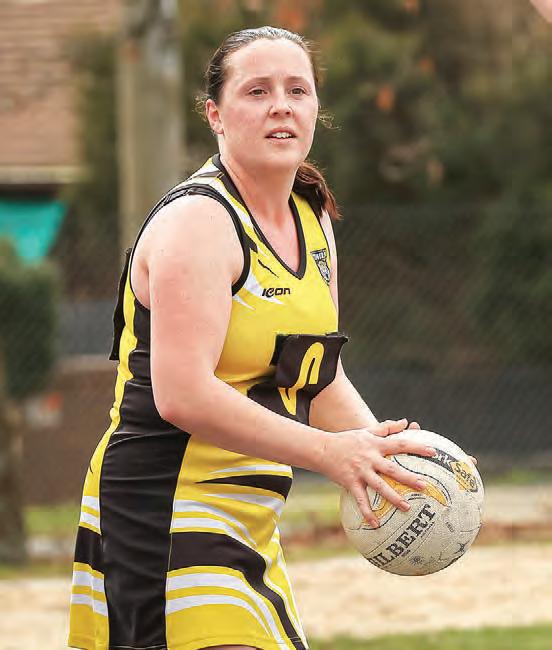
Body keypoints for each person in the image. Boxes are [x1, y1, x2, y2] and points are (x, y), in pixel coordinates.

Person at [68, 26, 439, 650]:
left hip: (251, 521)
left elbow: (317, 376)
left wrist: (385, 457)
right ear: (215, 114)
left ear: (316, 108)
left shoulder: (311, 218)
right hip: (162, 511)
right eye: (257, 91)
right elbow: (182, 395)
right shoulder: (199, 222)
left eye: (298, 90)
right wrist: (330, 454)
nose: (281, 106)